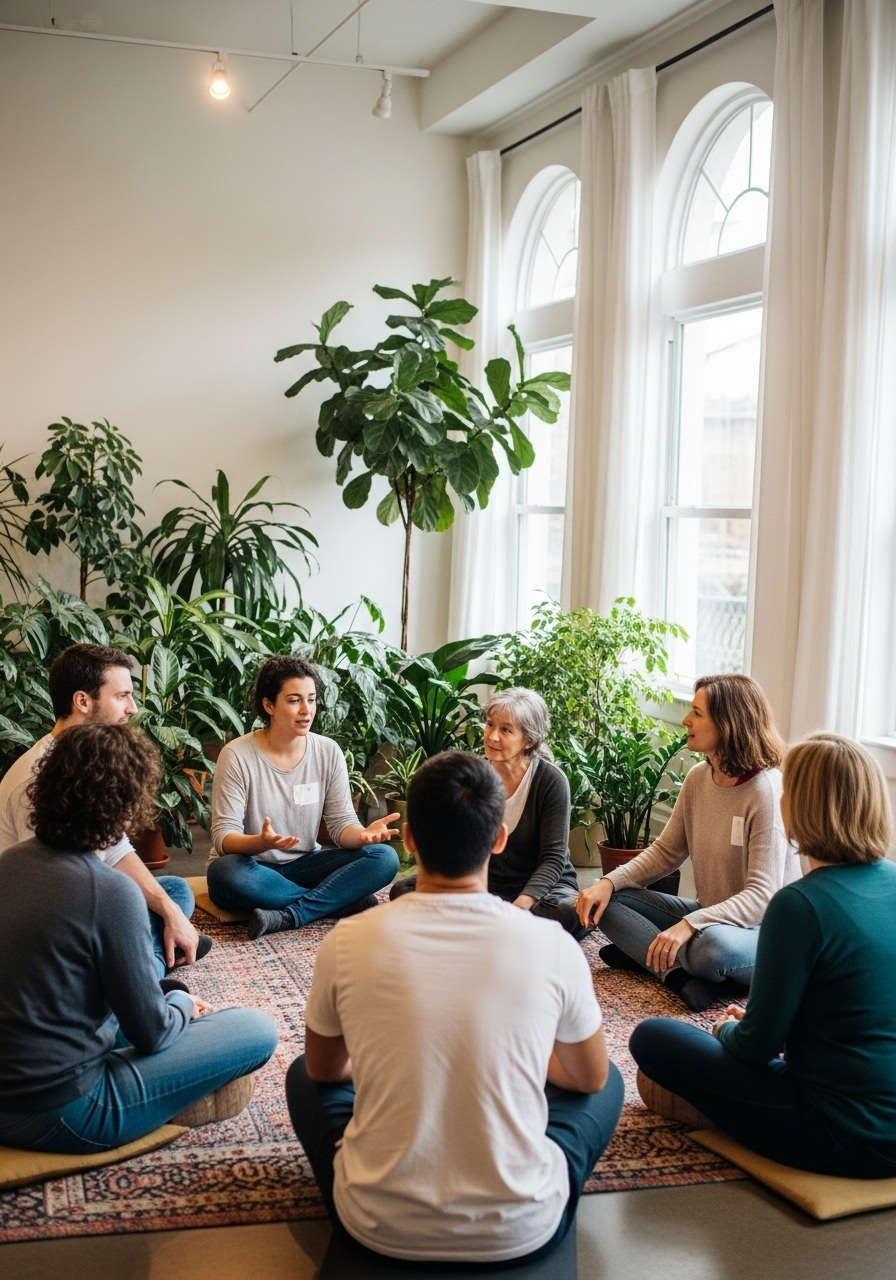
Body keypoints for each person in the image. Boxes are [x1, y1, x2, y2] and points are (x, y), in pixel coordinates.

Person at [286, 750, 623, 1266]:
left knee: (303, 1076)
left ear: (409, 839)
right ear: (499, 838)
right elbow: (588, 1078)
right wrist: (522, 1058)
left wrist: (392, 1055)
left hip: (375, 1223)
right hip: (523, 1227)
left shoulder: (347, 941)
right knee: (609, 1081)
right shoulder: (553, 945)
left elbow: (326, 1069)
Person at [0, 724, 278, 1155]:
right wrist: (180, 1001)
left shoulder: (8, 863)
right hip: (62, 1110)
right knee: (256, 1029)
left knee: (162, 922)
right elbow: (152, 1034)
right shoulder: (110, 891)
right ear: (127, 806)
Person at [631, 733, 896, 1178]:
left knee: (653, 1037)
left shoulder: (800, 905)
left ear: (801, 807)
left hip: (842, 1136)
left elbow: (756, 1049)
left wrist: (727, 1028)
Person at [574, 674, 798, 1012]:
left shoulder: (765, 791)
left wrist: (690, 924)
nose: (686, 720)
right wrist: (607, 882)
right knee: (608, 901)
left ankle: (646, 951)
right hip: (710, 915)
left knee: (711, 951)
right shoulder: (698, 778)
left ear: (728, 723)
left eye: (697, 712)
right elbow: (666, 852)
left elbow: (761, 897)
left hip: (760, 933)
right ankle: (678, 976)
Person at [0, 642, 209, 980]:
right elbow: (51, 892)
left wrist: (169, 911)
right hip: (42, 927)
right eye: (122, 696)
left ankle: (145, 955)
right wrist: (120, 909)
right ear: (83, 701)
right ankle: (142, 969)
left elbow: (114, 846)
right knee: (131, 905)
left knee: (174, 892)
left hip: (82, 896)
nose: (132, 708)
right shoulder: (37, 777)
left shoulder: (90, 761)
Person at [207, 655, 400, 940]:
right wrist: (259, 843)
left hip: (306, 865)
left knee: (384, 857)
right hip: (252, 868)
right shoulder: (237, 755)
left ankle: (290, 915)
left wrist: (362, 836)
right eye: (294, 700)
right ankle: (338, 902)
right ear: (269, 705)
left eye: (311, 700)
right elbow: (223, 836)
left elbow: (340, 824)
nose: (306, 710)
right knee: (225, 873)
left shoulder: (328, 751)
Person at [390, 687, 585, 938]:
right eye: (490, 724)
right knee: (403, 891)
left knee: (566, 912)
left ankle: (480, 925)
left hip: (542, 888)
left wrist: (521, 905)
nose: (492, 736)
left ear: (529, 740)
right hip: (485, 882)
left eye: (506, 730)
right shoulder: (474, 775)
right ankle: (498, 927)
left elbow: (554, 858)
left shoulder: (551, 781)